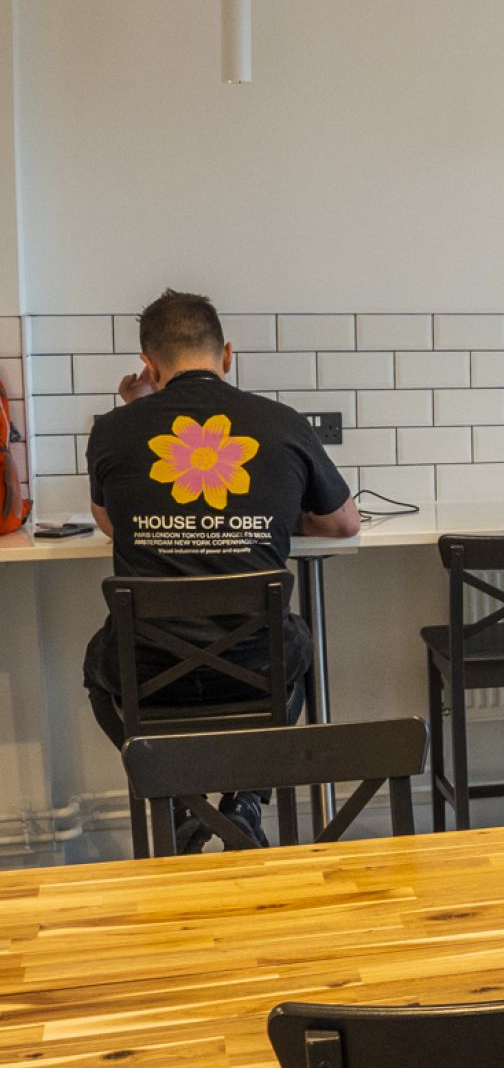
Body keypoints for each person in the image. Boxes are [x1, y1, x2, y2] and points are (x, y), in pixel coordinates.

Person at [83, 290, 360, 840]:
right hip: (258, 666)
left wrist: (138, 407)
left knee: (99, 669)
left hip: (151, 673)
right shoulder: (281, 422)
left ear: (148, 364)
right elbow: (344, 524)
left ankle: (180, 802)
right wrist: (280, 521)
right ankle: (246, 802)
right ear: (226, 355)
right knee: (299, 652)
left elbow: (112, 523)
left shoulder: (114, 430)